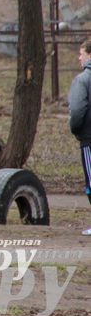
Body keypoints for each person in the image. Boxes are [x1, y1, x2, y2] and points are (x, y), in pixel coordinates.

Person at [68, 39, 91, 236]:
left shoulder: (83, 80)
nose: (79, 57)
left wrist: (76, 130)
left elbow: (77, 110)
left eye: (81, 53)